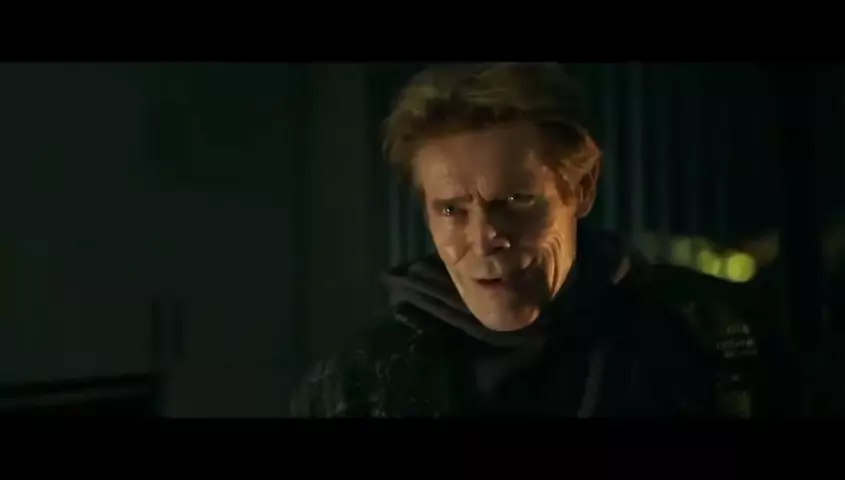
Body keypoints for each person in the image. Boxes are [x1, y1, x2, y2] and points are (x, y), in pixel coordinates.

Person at [289, 63, 766, 417]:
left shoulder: (710, 339)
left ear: (581, 189)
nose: (485, 239)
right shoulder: (354, 388)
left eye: (516, 201)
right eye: (452, 210)